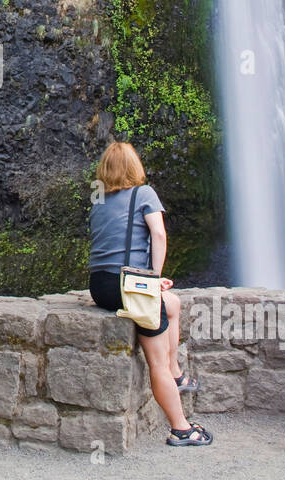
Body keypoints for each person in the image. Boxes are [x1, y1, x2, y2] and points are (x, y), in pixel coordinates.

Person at [88, 140, 212, 446]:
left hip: (101, 287)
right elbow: (158, 233)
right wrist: (154, 278)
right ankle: (181, 428)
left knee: (172, 304)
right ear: (134, 167)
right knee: (155, 361)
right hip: (130, 288)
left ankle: (177, 372)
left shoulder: (99, 199)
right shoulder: (143, 193)